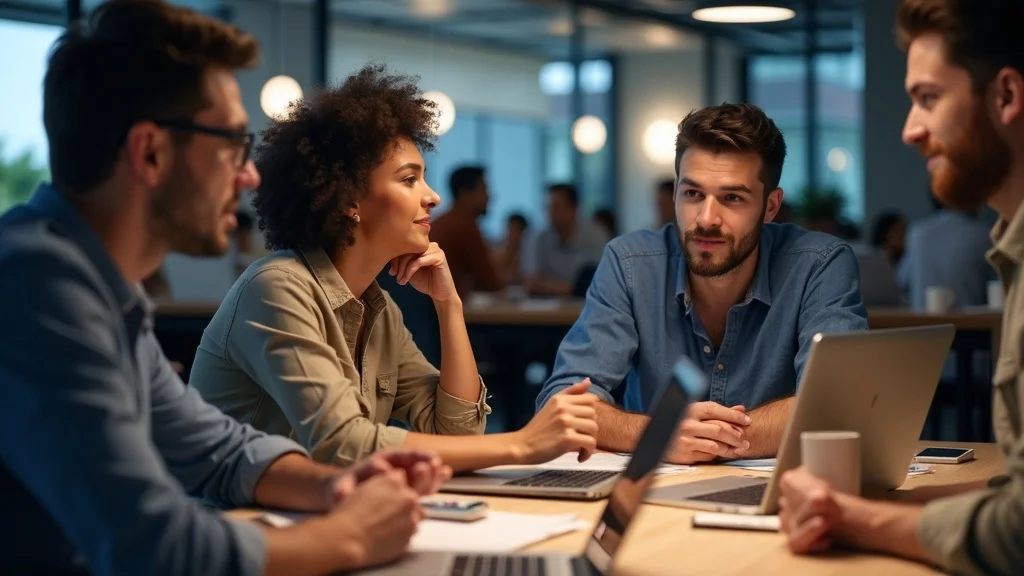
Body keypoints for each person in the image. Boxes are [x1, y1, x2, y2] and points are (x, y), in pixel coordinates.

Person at [0, 2, 449, 575]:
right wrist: (350, 538)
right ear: (151, 152)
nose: (250, 175)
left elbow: (218, 451)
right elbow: (151, 542)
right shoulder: (37, 288)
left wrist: (338, 486)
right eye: (232, 144)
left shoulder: (102, 289)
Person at [189, 64, 599, 474]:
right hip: (238, 527)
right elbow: (343, 443)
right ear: (350, 200)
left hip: (325, 519)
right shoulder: (278, 288)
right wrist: (523, 445)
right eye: (409, 180)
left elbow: (455, 435)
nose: (433, 197)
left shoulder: (379, 310)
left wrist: (448, 305)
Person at [779, 2, 1024, 574]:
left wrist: (852, 520)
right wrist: (884, 505)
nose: (910, 130)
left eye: (928, 98)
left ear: (1006, 97)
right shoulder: (1010, 247)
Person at [536, 103, 868, 465]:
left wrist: (702, 439)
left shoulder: (819, 265)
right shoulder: (629, 263)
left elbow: (840, 406)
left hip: (775, 502)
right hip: (650, 503)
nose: (707, 219)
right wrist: (660, 434)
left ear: (771, 207)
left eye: (732, 198)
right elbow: (562, 405)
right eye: (693, 194)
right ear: (676, 192)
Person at [898, 193, 995, 309]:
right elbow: (1001, 282)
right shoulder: (983, 234)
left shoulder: (917, 233)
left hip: (920, 324)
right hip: (971, 324)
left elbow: (901, 280)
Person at [429, 165, 504, 297]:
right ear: (465, 193)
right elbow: (491, 282)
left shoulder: (443, 220)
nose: (489, 196)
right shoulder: (464, 225)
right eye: (484, 189)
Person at [527, 183, 609, 296]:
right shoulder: (536, 237)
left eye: (556, 207)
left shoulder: (595, 236)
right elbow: (531, 283)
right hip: (545, 309)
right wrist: (575, 287)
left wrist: (547, 284)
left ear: (574, 209)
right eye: (546, 208)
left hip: (587, 308)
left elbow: (601, 283)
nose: (549, 213)